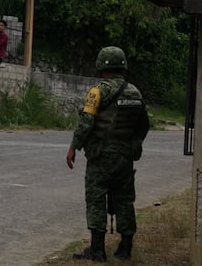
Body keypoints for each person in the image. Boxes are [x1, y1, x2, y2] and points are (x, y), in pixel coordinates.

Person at [66, 46, 150, 262]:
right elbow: (144, 125)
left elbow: (86, 123)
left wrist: (74, 147)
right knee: (124, 200)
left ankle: (97, 250)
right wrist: (133, 144)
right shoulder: (135, 92)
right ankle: (125, 248)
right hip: (125, 158)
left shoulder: (97, 91)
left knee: (96, 199)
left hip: (100, 157)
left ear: (102, 67)